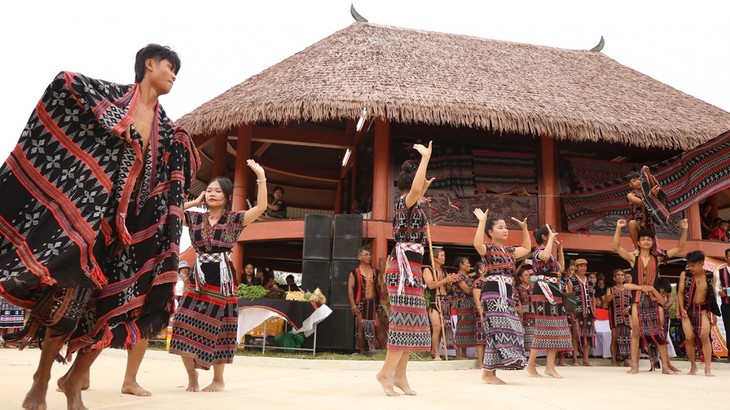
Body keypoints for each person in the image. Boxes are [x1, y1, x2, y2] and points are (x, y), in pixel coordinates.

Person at [0, 44, 198, 410]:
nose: (173, 75)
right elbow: (65, 83)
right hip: (90, 223)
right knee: (68, 303)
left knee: (119, 310)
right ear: (149, 64)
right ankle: (41, 379)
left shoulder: (168, 130)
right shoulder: (111, 99)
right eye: (170, 67)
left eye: (177, 72)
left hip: (134, 235)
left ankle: (73, 379)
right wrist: (112, 124)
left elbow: (172, 180)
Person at [170, 167, 268, 393]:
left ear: (226, 196)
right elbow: (170, 209)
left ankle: (218, 379)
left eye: (217, 191)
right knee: (183, 323)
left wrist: (260, 176)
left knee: (222, 326)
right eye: (209, 190)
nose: (212, 194)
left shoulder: (234, 219)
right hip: (198, 276)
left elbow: (261, 207)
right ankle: (192, 377)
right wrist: (194, 202)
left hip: (223, 278)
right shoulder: (195, 218)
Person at [376, 141, 433, 397]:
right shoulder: (405, 202)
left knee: (411, 322)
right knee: (402, 321)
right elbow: (417, 188)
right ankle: (385, 373)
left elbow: (420, 188)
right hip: (402, 269)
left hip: (412, 267)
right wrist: (425, 159)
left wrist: (424, 182)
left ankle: (400, 375)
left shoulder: (414, 205)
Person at [612, 218, 687, 374]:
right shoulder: (634, 258)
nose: (646, 241)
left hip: (653, 299)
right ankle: (634, 366)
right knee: (636, 333)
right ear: (638, 242)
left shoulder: (658, 258)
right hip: (637, 299)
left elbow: (680, 247)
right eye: (643, 239)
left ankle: (665, 366)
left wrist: (684, 229)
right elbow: (616, 247)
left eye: (649, 239)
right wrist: (619, 228)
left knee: (657, 332)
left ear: (652, 242)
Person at [472, 209, 530, 384]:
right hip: (492, 292)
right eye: (500, 227)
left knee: (511, 330)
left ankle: (489, 372)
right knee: (496, 330)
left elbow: (527, 248)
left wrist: (525, 228)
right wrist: (482, 221)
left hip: (507, 293)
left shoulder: (511, 251)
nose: (505, 230)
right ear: (491, 232)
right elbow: (477, 245)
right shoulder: (488, 249)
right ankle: (488, 373)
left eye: (506, 227)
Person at [526, 225, 572, 378]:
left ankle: (550, 367)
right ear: (545, 237)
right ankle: (531, 364)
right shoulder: (538, 251)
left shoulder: (549, 253)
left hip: (553, 289)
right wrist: (552, 240)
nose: (555, 236)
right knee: (543, 327)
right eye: (552, 234)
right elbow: (544, 257)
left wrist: (560, 250)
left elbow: (561, 267)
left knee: (556, 327)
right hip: (542, 290)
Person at [677, 250, 720, 377]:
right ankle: (693, 366)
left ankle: (707, 368)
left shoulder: (710, 276)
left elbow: (712, 295)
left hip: (703, 309)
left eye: (693, 265)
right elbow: (680, 292)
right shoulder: (685, 274)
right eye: (689, 265)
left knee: (704, 336)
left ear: (701, 263)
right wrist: (681, 309)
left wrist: (714, 313)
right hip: (687, 309)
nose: (690, 268)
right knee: (689, 337)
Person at [422, 247, 458, 360]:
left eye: (444, 255)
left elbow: (446, 288)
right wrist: (445, 280)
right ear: (435, 258)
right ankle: (436, 354)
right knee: (437, 327)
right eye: (441, 255)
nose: (444, 257)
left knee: (444, 328)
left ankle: (437, 352)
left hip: (444, 300)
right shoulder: (428, 269)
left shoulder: (443, 271)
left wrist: (450, 282)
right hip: (434, 301)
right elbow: (431, 285)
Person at [348, 247, 381, 354]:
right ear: (359, 257)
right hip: (360, 303)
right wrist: (353, 304)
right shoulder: (354, 272)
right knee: (361, 327)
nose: (368, 257)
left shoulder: (376, 271)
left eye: (370, 255)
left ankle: (383, 351)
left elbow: (381, 286)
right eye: (366, 255)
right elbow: (350, 288)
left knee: (378, 326)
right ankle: (362, 351)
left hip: (373, 302)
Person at [566, 258, 596, 366]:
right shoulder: (571, 280)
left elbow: (592, 296)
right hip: (576, 311)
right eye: (581, 266)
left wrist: (594, 310)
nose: (583, 268)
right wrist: (571, 312)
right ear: (577, 268)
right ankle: (575, 359)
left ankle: (586, 359)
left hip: (589, 311)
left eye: (585, 266)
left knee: (587, 335)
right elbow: (569, 296)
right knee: (575, 335)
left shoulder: (590, 281)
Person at [626, 167, 662, 248]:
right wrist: (651, 195)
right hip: (638, 224)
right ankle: (636, 248)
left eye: (639, 179)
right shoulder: (630, 195)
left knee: (652, 249)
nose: (638, 182)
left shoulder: (648, 191)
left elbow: (656, 186)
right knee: (632, 223)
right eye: (634, 181)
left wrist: (648, 173)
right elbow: (642, 202)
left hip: (650, 224)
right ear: (630, 185)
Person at [604, 269, 631, 367]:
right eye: (618, 275)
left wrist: (629, 308)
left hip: (627, 317)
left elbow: (633, 302)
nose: (620, 276)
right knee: (614, 338)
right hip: (614, 316)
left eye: (622, 275)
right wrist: (614, 293)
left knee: (627, 338)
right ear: (614, 278)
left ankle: (626, 359)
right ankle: (614, 360)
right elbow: (606, 300)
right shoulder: (610, 289)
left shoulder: (628, 289)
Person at [452, 256, 476, 359]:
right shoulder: (458, 277)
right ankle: (458, 354)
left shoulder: (469, 277)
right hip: (462, 305)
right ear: (461, 265)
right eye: (467, 262)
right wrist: (477, 290)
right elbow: (467, 290)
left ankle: (464, 353)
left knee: (468, 329)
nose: (469, 264)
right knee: (461, 328)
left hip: (470, 305)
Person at [514, 265, 535, 359]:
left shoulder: (532, 289)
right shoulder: (518, 289)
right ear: (520, 277)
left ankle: (531, 359)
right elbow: (517, 304)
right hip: (522, 315)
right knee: (523, 335)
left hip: (533, 314)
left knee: (532, 337)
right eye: (525, 275)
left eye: (529, 275)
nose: (528, 277)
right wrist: (522, 313)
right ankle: (523, 358)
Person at [471, 261, 488, 369]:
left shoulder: (490, 281)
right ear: (480, 271)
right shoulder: (478, 282)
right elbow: (477, 298)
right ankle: (480, 363)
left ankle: (487, 362)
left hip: (490, 310)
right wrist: (480, 312)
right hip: (481, 311)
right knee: (480, 337)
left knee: (487, 337)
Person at [716, 247, 730, 363]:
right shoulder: (721, 271)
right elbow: (716, 287)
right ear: (726, 257)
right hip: (727, 304)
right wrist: (719, 292)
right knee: (728, 329)